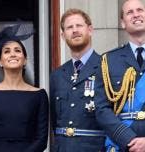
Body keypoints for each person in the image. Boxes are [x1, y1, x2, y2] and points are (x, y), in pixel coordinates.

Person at [95, 0, 145, 151]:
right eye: (129, 12)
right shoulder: (108, 61)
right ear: (123, 23)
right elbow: (102, 109)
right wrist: (128, 139)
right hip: (124, 145)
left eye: (140, 10)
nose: (136, 15)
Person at [0, 24, 49, 152]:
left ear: (25, 60)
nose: (12, 54)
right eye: (7, 51)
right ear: (0, 61)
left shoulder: (39, 95)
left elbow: (41, 140)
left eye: (17, 50)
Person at [50, 8, 105, 152]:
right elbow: (54, 120)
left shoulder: (107, 67)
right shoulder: (57, 75)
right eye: (69, 27)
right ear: (63, 36)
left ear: (90, 30)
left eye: (79, 26)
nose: (74, 30)